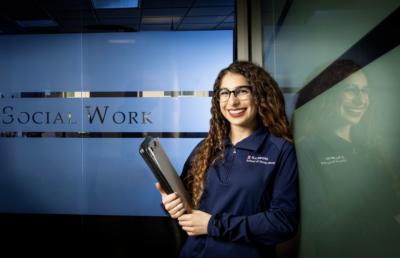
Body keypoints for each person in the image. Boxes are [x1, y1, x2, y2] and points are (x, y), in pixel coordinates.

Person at [155, 61, 299, 258]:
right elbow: (187, 204)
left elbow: (283, 222)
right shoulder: (205, 148)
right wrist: (171, 205)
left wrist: (213, 225)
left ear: (259, 95)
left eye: (242, 91)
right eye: (225, 93)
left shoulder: (280, 150)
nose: (232, 102)